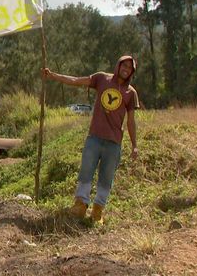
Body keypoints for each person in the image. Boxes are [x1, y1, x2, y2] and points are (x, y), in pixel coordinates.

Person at [42, 56, 139, 224]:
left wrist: (134, 145)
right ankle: (80, 205)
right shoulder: (102, 79)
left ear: (132, 72)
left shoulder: (131, 92)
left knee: (106, 178)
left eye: (130, 68)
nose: (126, 69)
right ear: (118, 65)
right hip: (94, 138)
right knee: (86, 171)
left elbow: (131, 121)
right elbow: (76, 81)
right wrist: (53, 75)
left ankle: (97, 211)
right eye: (124, 65)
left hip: (114, 142)